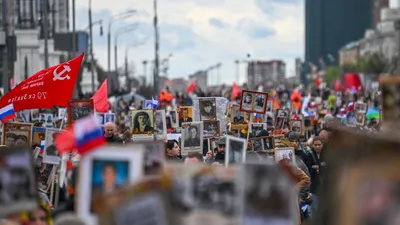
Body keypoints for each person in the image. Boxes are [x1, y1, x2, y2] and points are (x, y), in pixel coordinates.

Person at [309, 137, 323, 216]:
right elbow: (308, 168)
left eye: (319, 145)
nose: (317, 146)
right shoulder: (309, 155)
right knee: (315, 209)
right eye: (315, 145)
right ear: (312, 145)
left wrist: (317, 166)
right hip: (314, 188)